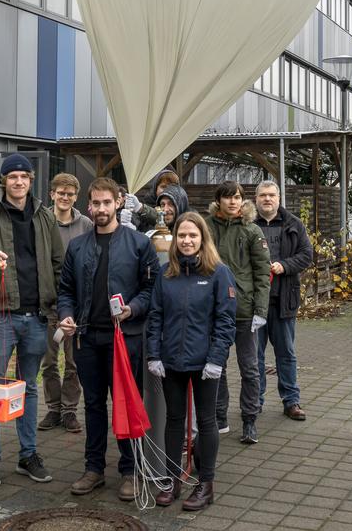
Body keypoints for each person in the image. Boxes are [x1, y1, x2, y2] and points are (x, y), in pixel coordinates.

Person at [57, 177, 160, 501]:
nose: (101, 209)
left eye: (107, 202)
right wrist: (67, 314)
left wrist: (134, 308)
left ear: (118, 202)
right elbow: (66, 291)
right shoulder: (77, 246)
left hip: (125, 339)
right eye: (96, 203)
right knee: (93, 404)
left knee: (126, 404)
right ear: (90, 205)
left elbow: (152, 288)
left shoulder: (138, 244)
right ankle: (94, 469)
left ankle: (130, 470)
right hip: (87, 338)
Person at [0, 153, 63, 488]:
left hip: (37, 317)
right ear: (3, 181)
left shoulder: (45, 216)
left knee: (29, 387)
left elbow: (58, 264)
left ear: (30, 180)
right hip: (0, 317)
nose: (18, 181)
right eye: (12, 176)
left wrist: (61, 310)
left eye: (24, 176)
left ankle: (28, 455)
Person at [146, 212, 236, 510]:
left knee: (207, 420)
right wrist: (154, 353)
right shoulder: (166, 274)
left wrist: (216, 359)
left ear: (202, 239)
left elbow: (226, 320)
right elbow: (156, 315)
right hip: (171, 360)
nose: (186, 241)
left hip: (205, 363)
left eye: (192, 236)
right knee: (174, 420)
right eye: (182, 235)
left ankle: (205, 484)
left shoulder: (218, 273)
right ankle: (172, 480)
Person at [205, 181, 270, 445]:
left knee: (250, 368)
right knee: (216, 367)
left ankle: (250, 420)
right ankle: (219, 417)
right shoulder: (206, 227)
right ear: (218, 200)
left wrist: (261, 309)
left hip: (244, 311)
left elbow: (262, 273)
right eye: (228, 197)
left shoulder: (252, 230)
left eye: (238, 197)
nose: (233, 202)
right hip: (213, 310)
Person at [38, 173, 92, 434]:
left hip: (78, 307)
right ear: (52, 194)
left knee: (73, 362)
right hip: (48, 303)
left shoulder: (86, 225)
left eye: (70, 194)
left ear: (76, 196)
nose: (65, 197)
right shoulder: (41, 221)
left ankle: (70, 410)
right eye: (61, 193)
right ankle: (53, 408)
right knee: (49, 361)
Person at [255, 181, 312, 420]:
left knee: (286, 354)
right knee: (253, 357)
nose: (267, 199)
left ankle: (291, 401)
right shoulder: (247, 225)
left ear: (279, 198)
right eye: (263, 195)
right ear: (256, 199)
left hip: (283, 301)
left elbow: (306, 255)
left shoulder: (293, 224)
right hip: (254, 304)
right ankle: (254, 402)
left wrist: (284, 266)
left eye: (271, 195)